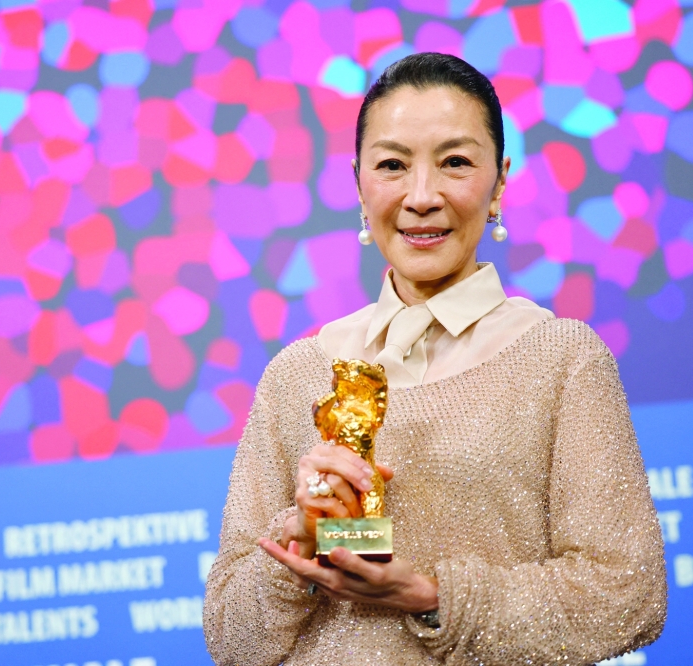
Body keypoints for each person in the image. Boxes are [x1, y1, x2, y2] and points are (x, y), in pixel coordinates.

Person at [203, 53, 666, 666]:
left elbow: (628, 595)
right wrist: (302, 545)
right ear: (359, 183)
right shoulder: (298, 374)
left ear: (500, 181)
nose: (421, 197)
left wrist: (432, 598)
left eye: (455, 163)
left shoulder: (561, 359)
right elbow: (230, 643)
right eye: (393, 165)